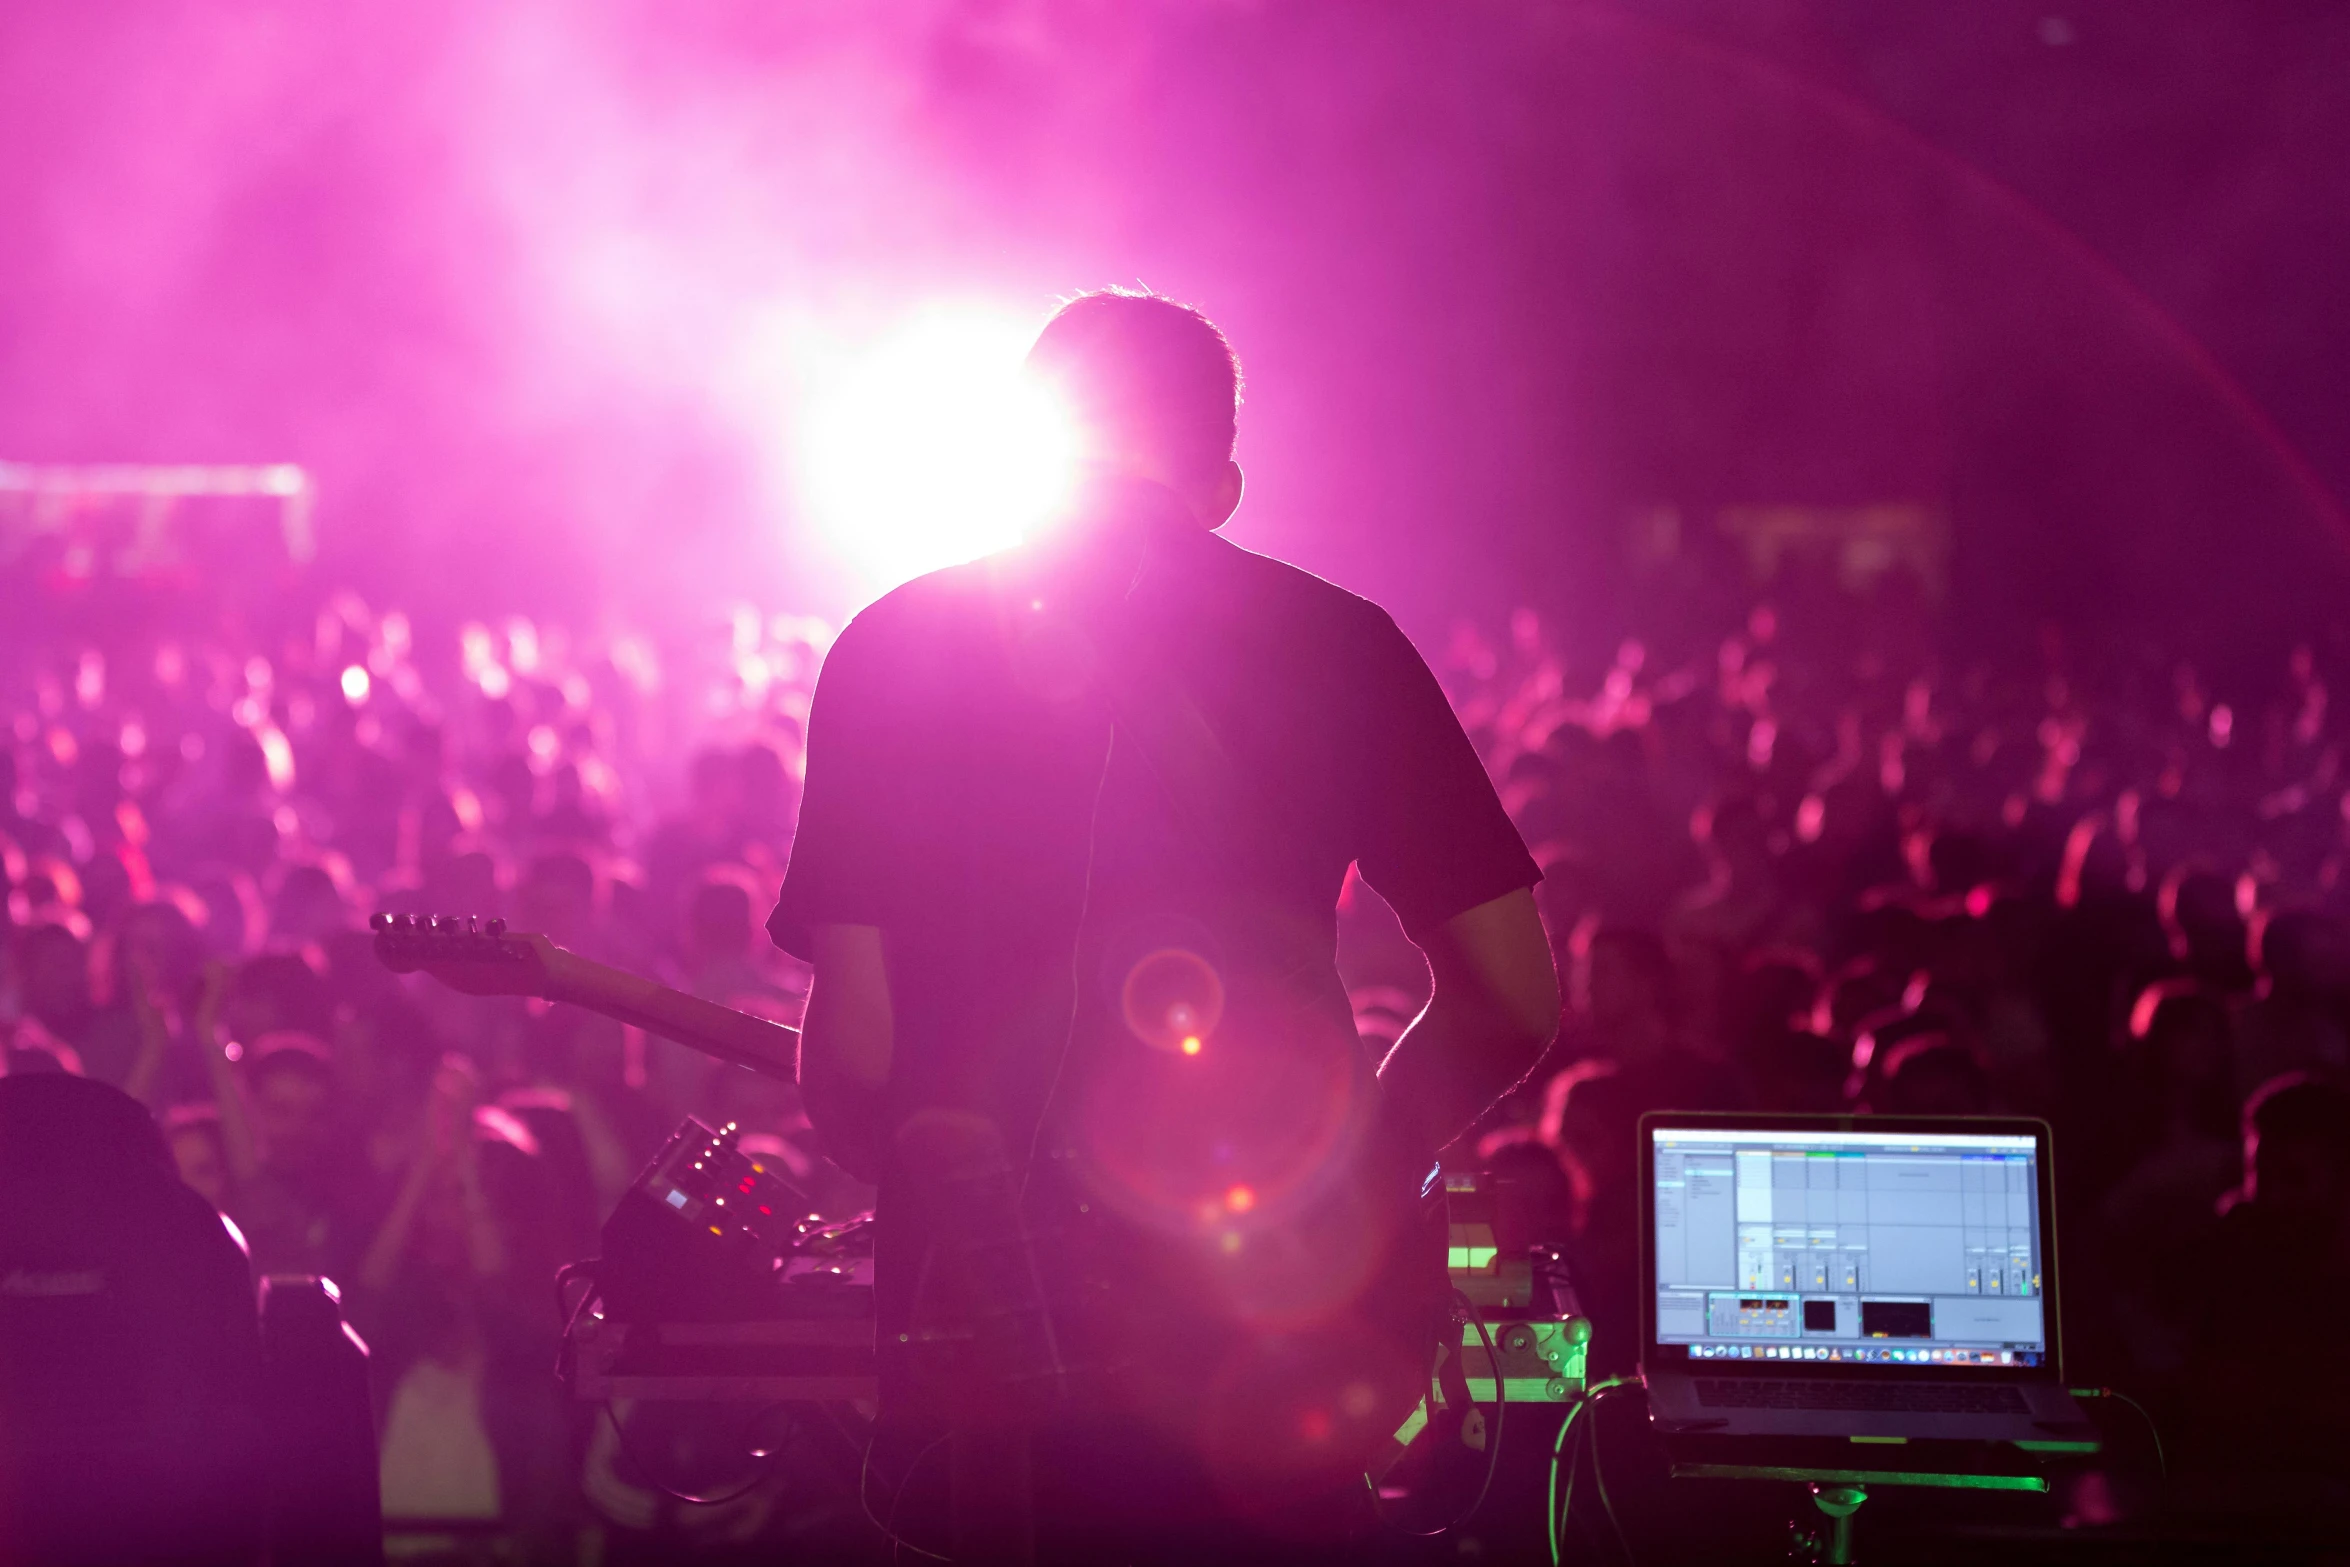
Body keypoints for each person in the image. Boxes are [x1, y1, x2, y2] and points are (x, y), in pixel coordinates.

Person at [769, 288, 1556, 1558]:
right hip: (1261, 1348)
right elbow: (1514, 996)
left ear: (1019, 455)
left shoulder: (886, 648)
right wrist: (1352, 1160)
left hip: (977, 1377)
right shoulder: (1342, 644)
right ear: (1225, 482)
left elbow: (851, 1054)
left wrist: (947, 1182)